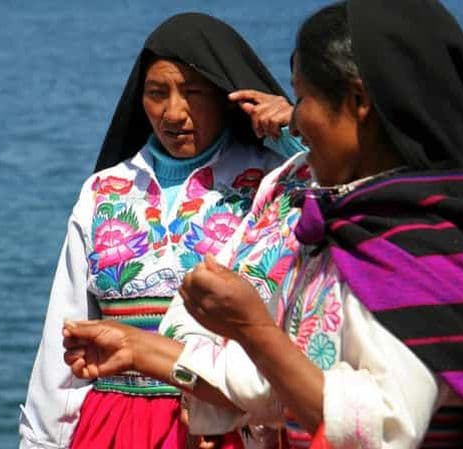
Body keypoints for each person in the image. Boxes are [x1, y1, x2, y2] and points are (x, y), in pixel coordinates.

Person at [66, 1, 463, 448]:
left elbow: (380, 430)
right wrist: (138, 348)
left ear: (359, 101)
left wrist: (254, 331)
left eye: (303, 98)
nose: (293, 120)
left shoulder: (421, 245)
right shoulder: (334, 219)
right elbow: (272, 385)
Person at [20, 12, 304, 449]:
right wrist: (42, 441)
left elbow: (345, 197)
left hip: (226, 424)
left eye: (193, 93)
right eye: (157, 93)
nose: (173, 113)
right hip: (112, 425)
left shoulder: (273, 181)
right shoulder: (104, 191)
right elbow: (66, 329)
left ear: (227, 96)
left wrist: (293, 135)